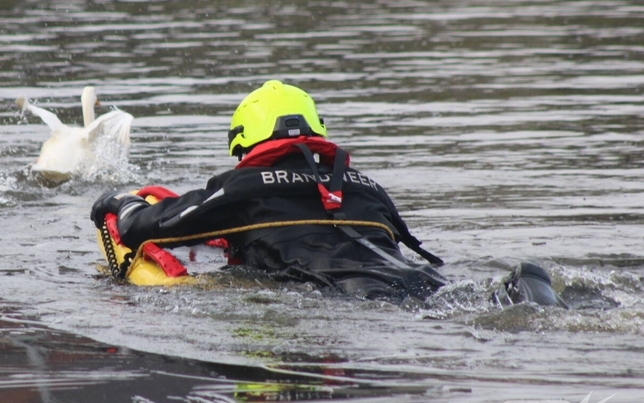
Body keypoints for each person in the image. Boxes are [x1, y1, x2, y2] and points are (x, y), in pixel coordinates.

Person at [91, 80, 563, 305]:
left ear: (245, 142)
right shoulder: (368, 189)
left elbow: (141, 227)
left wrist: (117, 200)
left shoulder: (243, 191)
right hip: (437, 289)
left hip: (365, 305)